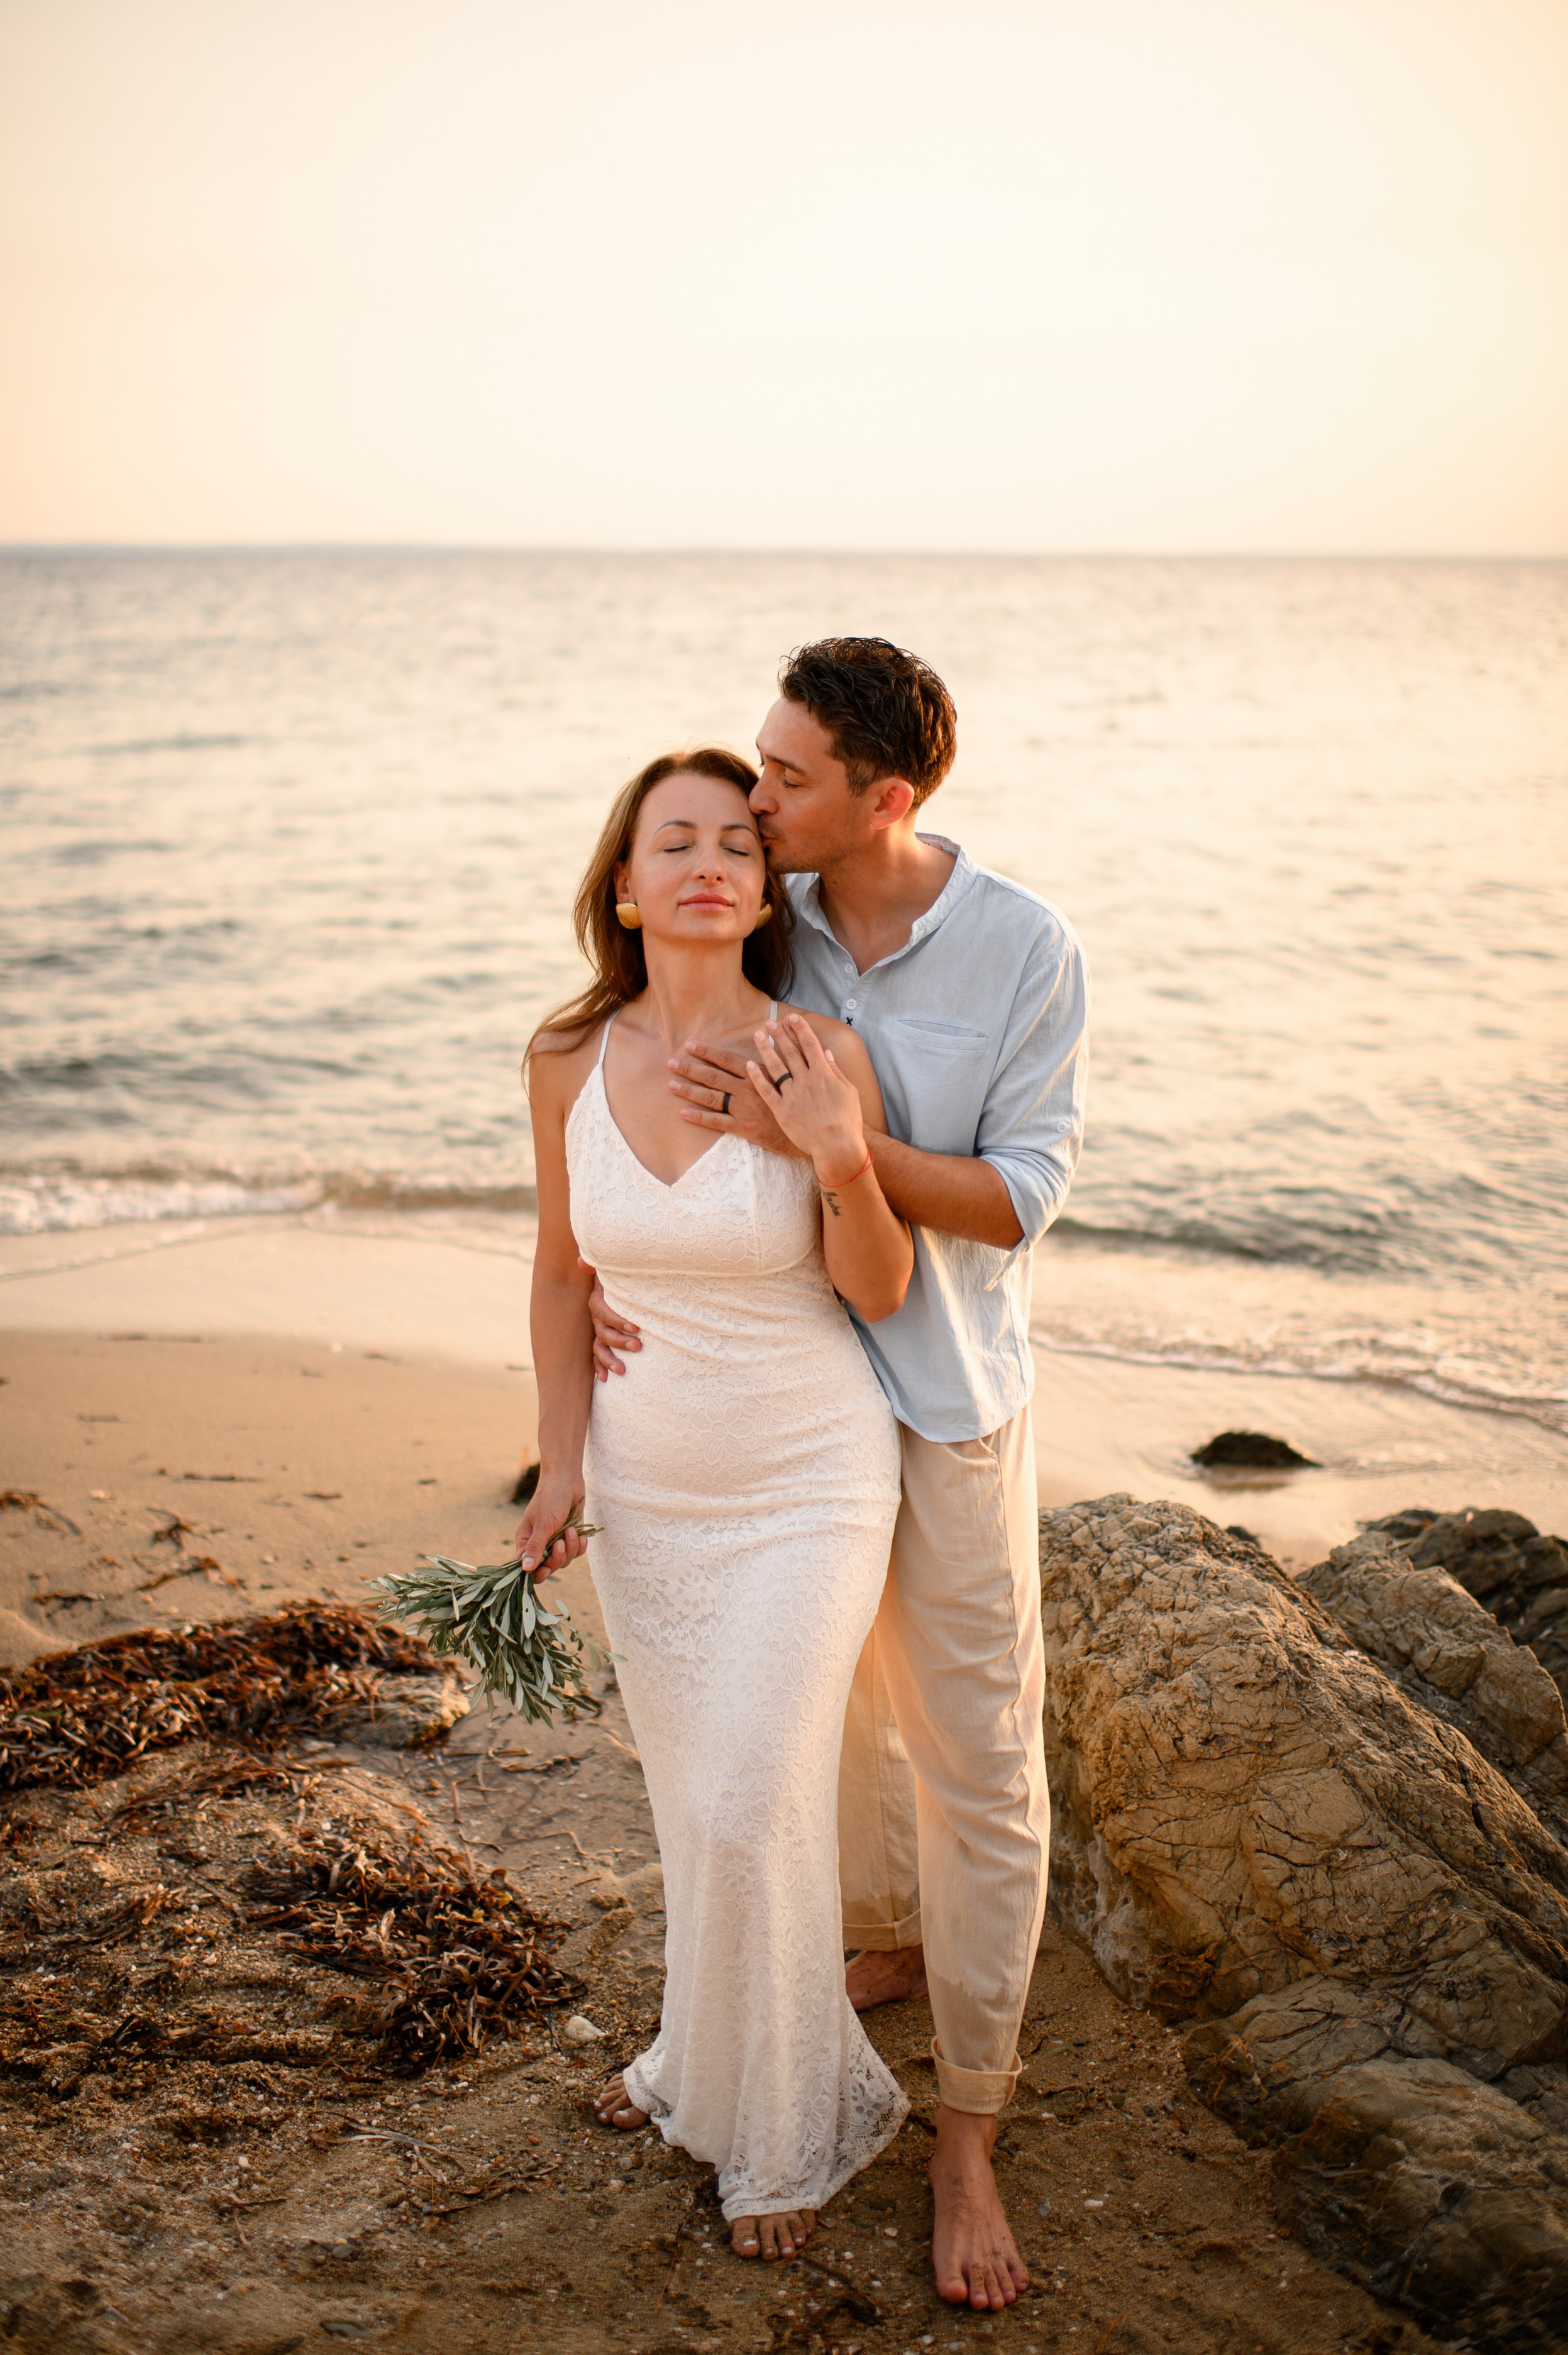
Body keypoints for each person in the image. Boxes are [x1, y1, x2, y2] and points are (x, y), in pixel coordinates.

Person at [588, 639, 1089, 2313]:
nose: (751, 799)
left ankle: (967, 2126)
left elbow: (1021, 1203)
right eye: (751, 766)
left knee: (973, 1759)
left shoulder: (1022, 948)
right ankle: (865, 1956)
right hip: (769, 1400)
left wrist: (839, 1150)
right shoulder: (772, 910)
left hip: (935, 1398)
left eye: (784, 779)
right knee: (835, 1740)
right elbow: (644, 1092)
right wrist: (614, 1293)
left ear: (883, 801)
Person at [517, 745, 919, 2261]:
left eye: (732, 847)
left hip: (807, 1474)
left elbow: (874, 1285)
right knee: (696, 1808)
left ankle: (783, 2132)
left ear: (763, 892)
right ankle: (698, 2063)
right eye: (667, 842)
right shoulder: (564, 1056)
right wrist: (560, 1462)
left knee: (755, 1797)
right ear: (622, 886)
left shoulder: (814, 1051)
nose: (703, 863)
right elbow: (563, 1273)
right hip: (648, 1487)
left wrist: (833, 1155)